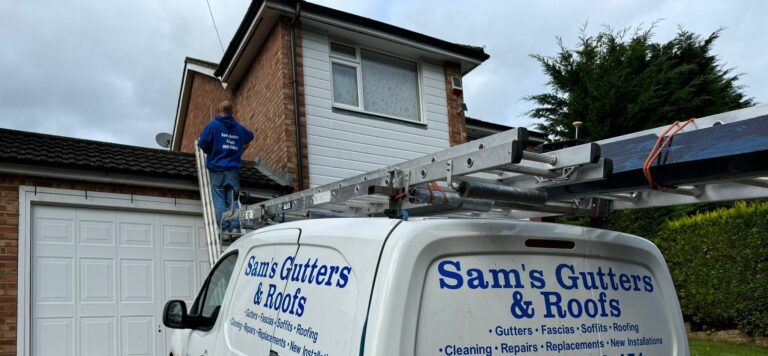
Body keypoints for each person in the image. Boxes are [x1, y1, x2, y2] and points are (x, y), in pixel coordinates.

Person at [198, 100, 254, 233]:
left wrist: (211, 151)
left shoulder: (212, 126)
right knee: (233, 201)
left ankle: (224, 230)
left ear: (219, 110)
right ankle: (235, 228)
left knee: (219, 202)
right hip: (233, 172)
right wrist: (239, 144)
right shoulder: (239, 128)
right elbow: (250, 136)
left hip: (217, 170)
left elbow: (202, 143)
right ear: (232, 112)